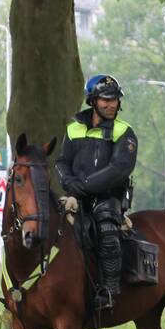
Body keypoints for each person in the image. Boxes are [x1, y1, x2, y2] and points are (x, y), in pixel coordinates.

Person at [55, 74, 138, 310]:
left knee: (107, 228)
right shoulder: (73, 129)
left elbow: (119, 169)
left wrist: (83, 186)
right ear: (92, 101)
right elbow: (61, 163)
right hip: (75, 196)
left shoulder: (124, 131)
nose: (111, 105)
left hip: (108, 198)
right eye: (105, 99)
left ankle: (109, 291)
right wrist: (71, 184)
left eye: (115, 100)